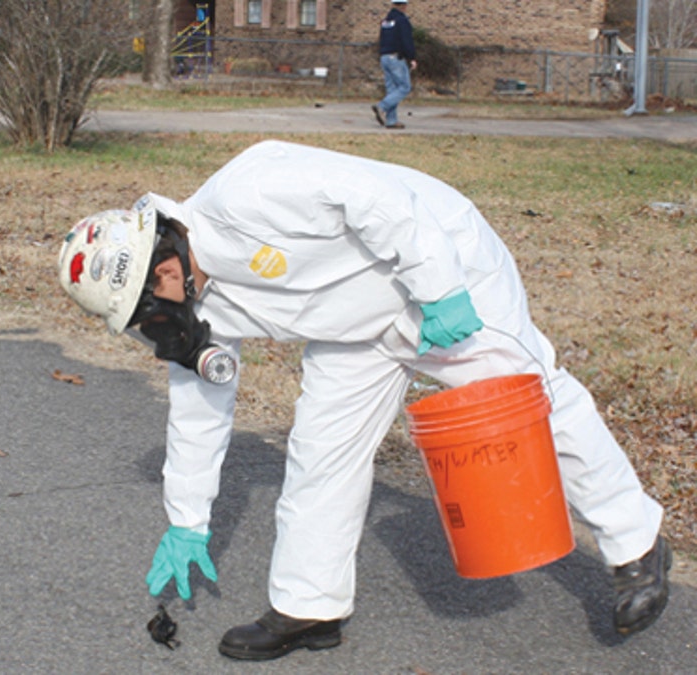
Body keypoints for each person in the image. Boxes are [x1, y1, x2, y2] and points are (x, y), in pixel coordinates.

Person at [56, 140, 670, 661]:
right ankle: (309, 605)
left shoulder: (250, 187)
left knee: (533, 400)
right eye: (143, 314)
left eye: (152, 298)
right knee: (322, 451)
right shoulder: (196, 307)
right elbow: (199, 411)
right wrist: (187, 520)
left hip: (439, 269)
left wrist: (438, 290)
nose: (159, 316)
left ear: (165, 245)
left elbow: (381, 201)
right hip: (353, 327)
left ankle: (636, 542)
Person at [373, 0, 417, 129]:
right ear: (404, 5)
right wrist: (412, 57)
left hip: (384, 56)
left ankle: (391, 121)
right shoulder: (402, 21)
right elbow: (406, 39)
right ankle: (382, 106)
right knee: (405, 87)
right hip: (395, 57)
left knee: (392, 89)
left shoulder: (386, 21)